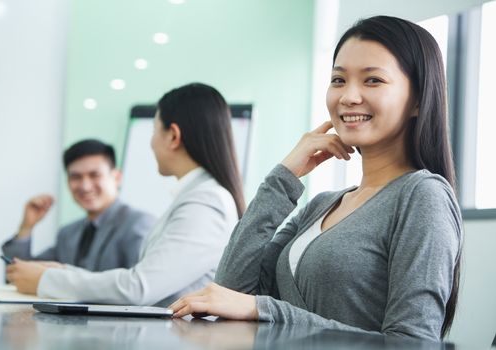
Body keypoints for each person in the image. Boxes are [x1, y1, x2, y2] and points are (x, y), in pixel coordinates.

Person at [169, 16, 463, 341]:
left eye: (373, 80)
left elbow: (412, 342)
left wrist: (266, 310)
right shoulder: (322, 205)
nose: (348, 96)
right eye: (338, 80)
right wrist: (285, 176)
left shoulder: (424, 195)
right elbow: (230, 291)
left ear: (418, 100)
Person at [6, 83, 245, 307]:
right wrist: (62, 273)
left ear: (173, 136)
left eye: (153, 130)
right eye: (75, 177)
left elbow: (138, 287)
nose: (151, 143)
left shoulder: (205, 201)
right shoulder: (198, 197)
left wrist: (48, 280)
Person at [2, 139, 155, 271]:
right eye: (76, 177)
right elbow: (21, 274)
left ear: (116, 177)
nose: (85, 186)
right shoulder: (68, 234)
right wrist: (26, 227)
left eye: (95, 175)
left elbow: (142, 289)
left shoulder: (138, 224)